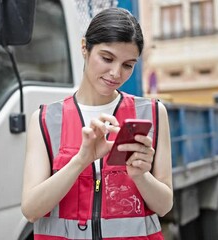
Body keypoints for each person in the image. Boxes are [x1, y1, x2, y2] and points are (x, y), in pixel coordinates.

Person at [22, 7, 173, 240]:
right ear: (85, 47)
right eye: (107, 58)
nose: (115, 73)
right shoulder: (45, 119)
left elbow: (164, 206)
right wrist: (81, 160)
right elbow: (31, 210)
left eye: (127, 65)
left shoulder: (152, 113)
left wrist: (141, 175)